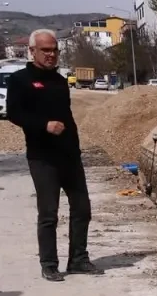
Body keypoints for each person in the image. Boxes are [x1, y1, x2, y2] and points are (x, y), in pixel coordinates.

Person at [7, 29, 97, 282]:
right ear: (32, 51)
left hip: (69, 155)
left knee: (82, 208)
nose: (51, 54)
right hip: (42, 157)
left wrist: (75, 145)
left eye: (54, 50)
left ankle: (78, 259)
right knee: (49, 213)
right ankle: (49, 264)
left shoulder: (59, 81)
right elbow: (14, 113)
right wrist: (43, 125)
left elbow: (67, 115)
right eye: (45, 50)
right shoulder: (20, 80)